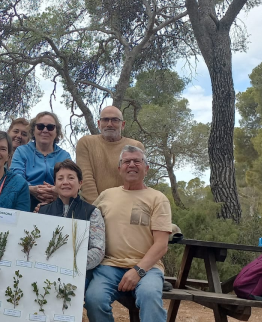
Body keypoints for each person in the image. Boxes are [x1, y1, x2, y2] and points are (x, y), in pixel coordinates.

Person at [84, 145, 173, 322]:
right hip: (108, 266)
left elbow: (161, 244)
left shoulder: (158, 199)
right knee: (94, 299)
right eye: (127, 161)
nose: (131, 165)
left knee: (150, 296)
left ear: (146, 168)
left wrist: (137, 270)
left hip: (147, 269)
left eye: (137, 161)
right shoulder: (107, 195)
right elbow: (85, 220)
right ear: (119, 169)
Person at [36, 159, 104, 289]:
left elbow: (98, 250)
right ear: (55, 183)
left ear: (80, 183)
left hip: (80, 274)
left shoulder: (92, 212)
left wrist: (70, 263)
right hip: (46, 271)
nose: (65, 182)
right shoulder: (43, 211)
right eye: (60, 178)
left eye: (71, 178)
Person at [76, 106, 145, 203]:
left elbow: (136, 181)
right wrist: (98, 210)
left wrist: (117, 209)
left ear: (123, 124)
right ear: (99, 124)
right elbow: (86, 179)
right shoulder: (85, 143)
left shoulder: (135, 146)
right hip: (93, 208)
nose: (109, 124)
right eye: (105, 120)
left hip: (126, 205)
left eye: (115, 120)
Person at [10, 111, 71, 208]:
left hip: (56, 201)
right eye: (40, 126)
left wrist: (57, 190)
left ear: (56, 132)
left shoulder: (64, 156)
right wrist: (31, 188)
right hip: (26, 198)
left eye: (50, 127)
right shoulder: (22, 151)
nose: (45, 130)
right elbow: (16, 176)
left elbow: (70, 180)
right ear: (33, 130)